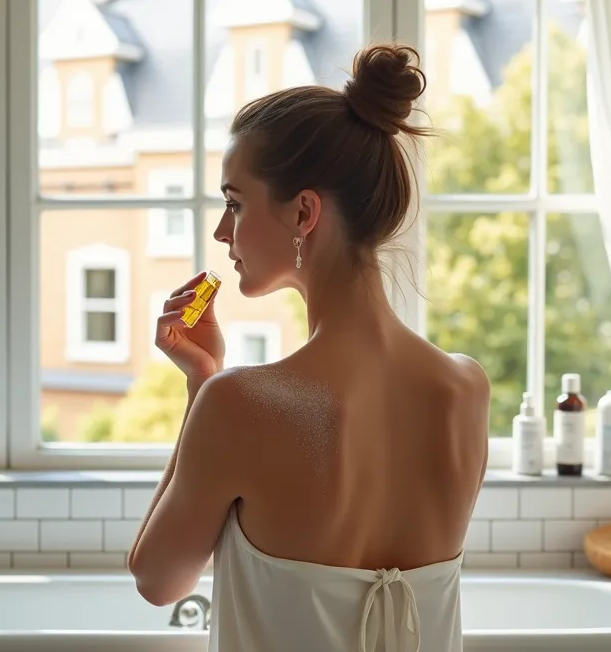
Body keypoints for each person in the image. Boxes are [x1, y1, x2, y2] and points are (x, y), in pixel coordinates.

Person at [126, 43, 491, 652]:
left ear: (303, 213)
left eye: (235, 203)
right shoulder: (464, 389)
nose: (223, 231)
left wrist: (202, 386)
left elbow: (159, 581)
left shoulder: (241, 403)